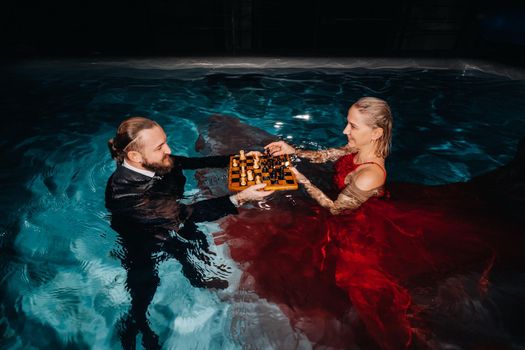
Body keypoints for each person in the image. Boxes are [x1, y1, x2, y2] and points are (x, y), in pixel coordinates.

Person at [208, 99, 510, 349]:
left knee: (356, 287)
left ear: (375, 133)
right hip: (343, 203)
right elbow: (329, 154)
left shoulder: (371, 173)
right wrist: (294, 152)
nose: (345, 130)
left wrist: (298, 178)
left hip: (358, 223)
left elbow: (337, 209)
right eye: (348, 122)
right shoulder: (360, 148)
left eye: (353, 126)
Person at [105, 116, 272, 350]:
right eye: (160, 147)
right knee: (145, 285)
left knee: (193, 246)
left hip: (174, 218)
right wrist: (240, 197)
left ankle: (197, 277)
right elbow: (185, 214)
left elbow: (188, 163)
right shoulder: (123, 193)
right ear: (134, 156)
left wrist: (236, 160)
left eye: (165, 142)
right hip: (142, 240)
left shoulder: (154, 160)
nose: (169, 150)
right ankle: (137, 323)